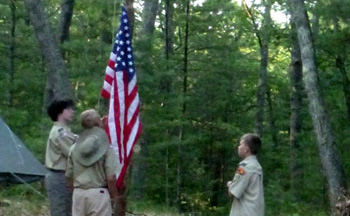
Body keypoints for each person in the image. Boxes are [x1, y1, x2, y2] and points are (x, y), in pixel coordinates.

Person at [65, 109, 118, 216]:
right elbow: (111, 178)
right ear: (98, 123)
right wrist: (114, 197)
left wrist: (75, 191)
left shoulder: (73, 148)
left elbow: (69, 176)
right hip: (99, 195)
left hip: (78, 194)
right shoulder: (107, 148)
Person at [45, 99, 77, 216]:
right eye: (68, 109)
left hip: (62, 176)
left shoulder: (65, 131)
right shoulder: (60, 132)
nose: (72, 112)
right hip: (59, 176)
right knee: (61, 211)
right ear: (60, 112)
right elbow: (74, 153)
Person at [226, 133, 264, 216]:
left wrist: (230, 184)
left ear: (246, 149)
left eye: (240, 144)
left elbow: (233, 192)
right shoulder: (257, 166)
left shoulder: (244, 168)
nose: (238, 147)